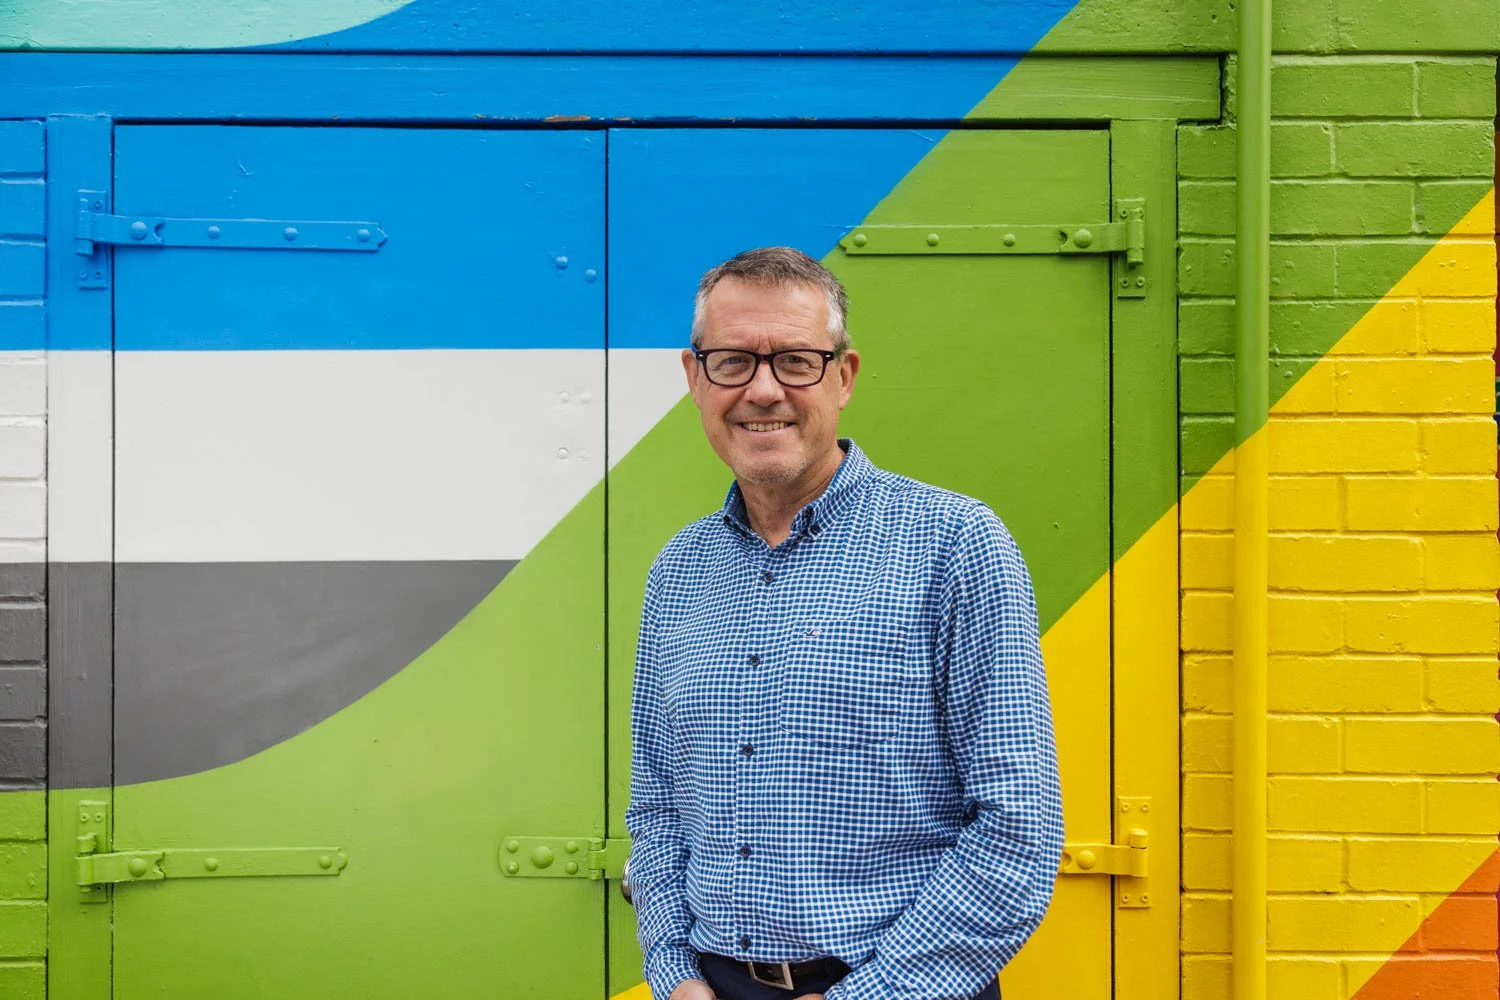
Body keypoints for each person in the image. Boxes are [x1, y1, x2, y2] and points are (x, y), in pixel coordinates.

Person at [625, 247, 1063, 1000]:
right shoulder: (679, 570)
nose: (763, 391)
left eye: (795, 360)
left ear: (843, 376)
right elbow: (658, 804)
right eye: (732, 362)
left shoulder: (953, 543)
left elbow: (1017, 825)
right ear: (695, 379)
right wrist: (672, 972)